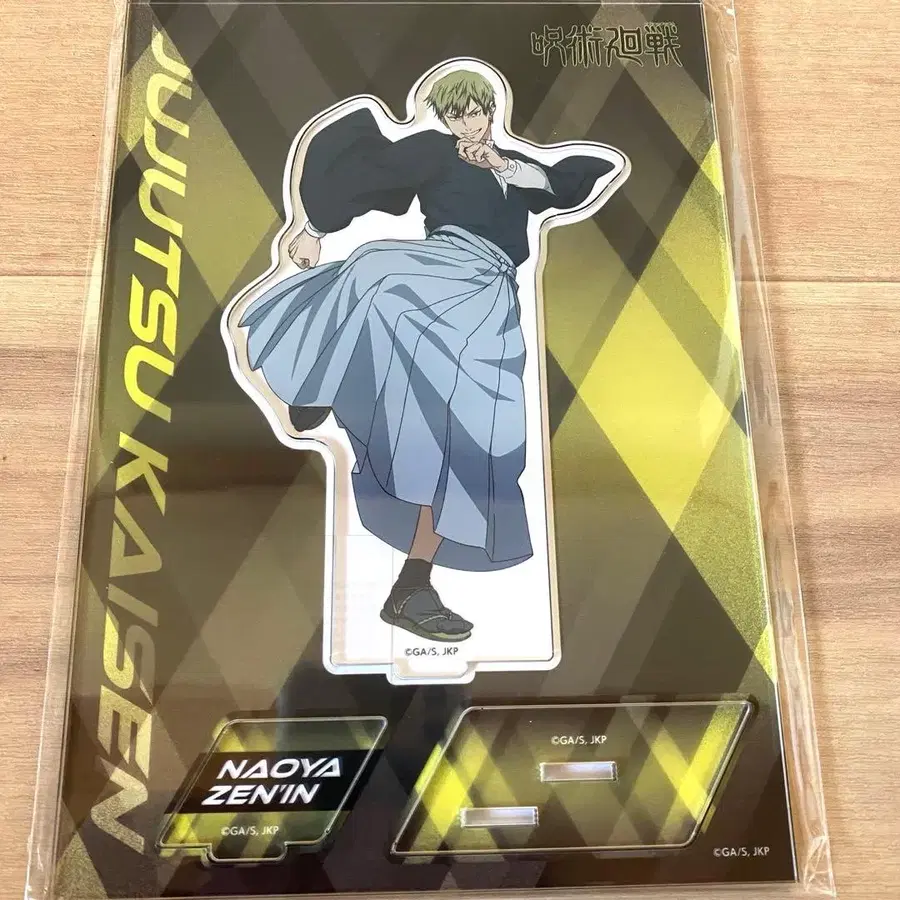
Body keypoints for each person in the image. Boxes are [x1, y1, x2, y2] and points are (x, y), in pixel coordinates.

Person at [238, 69, 616, 643]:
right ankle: (320, 384)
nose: (470, 123)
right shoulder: (436, 151)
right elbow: (370, 175)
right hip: (439, 271)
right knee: (375, 269)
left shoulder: (512, 164)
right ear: (445, 117)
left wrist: (502, 164)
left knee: (472, 440)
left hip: (489, 301)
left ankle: (411, 586)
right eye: (458, 114)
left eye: (477, 112)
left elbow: (567, 185)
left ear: (492, 110)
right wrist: (311, 228)